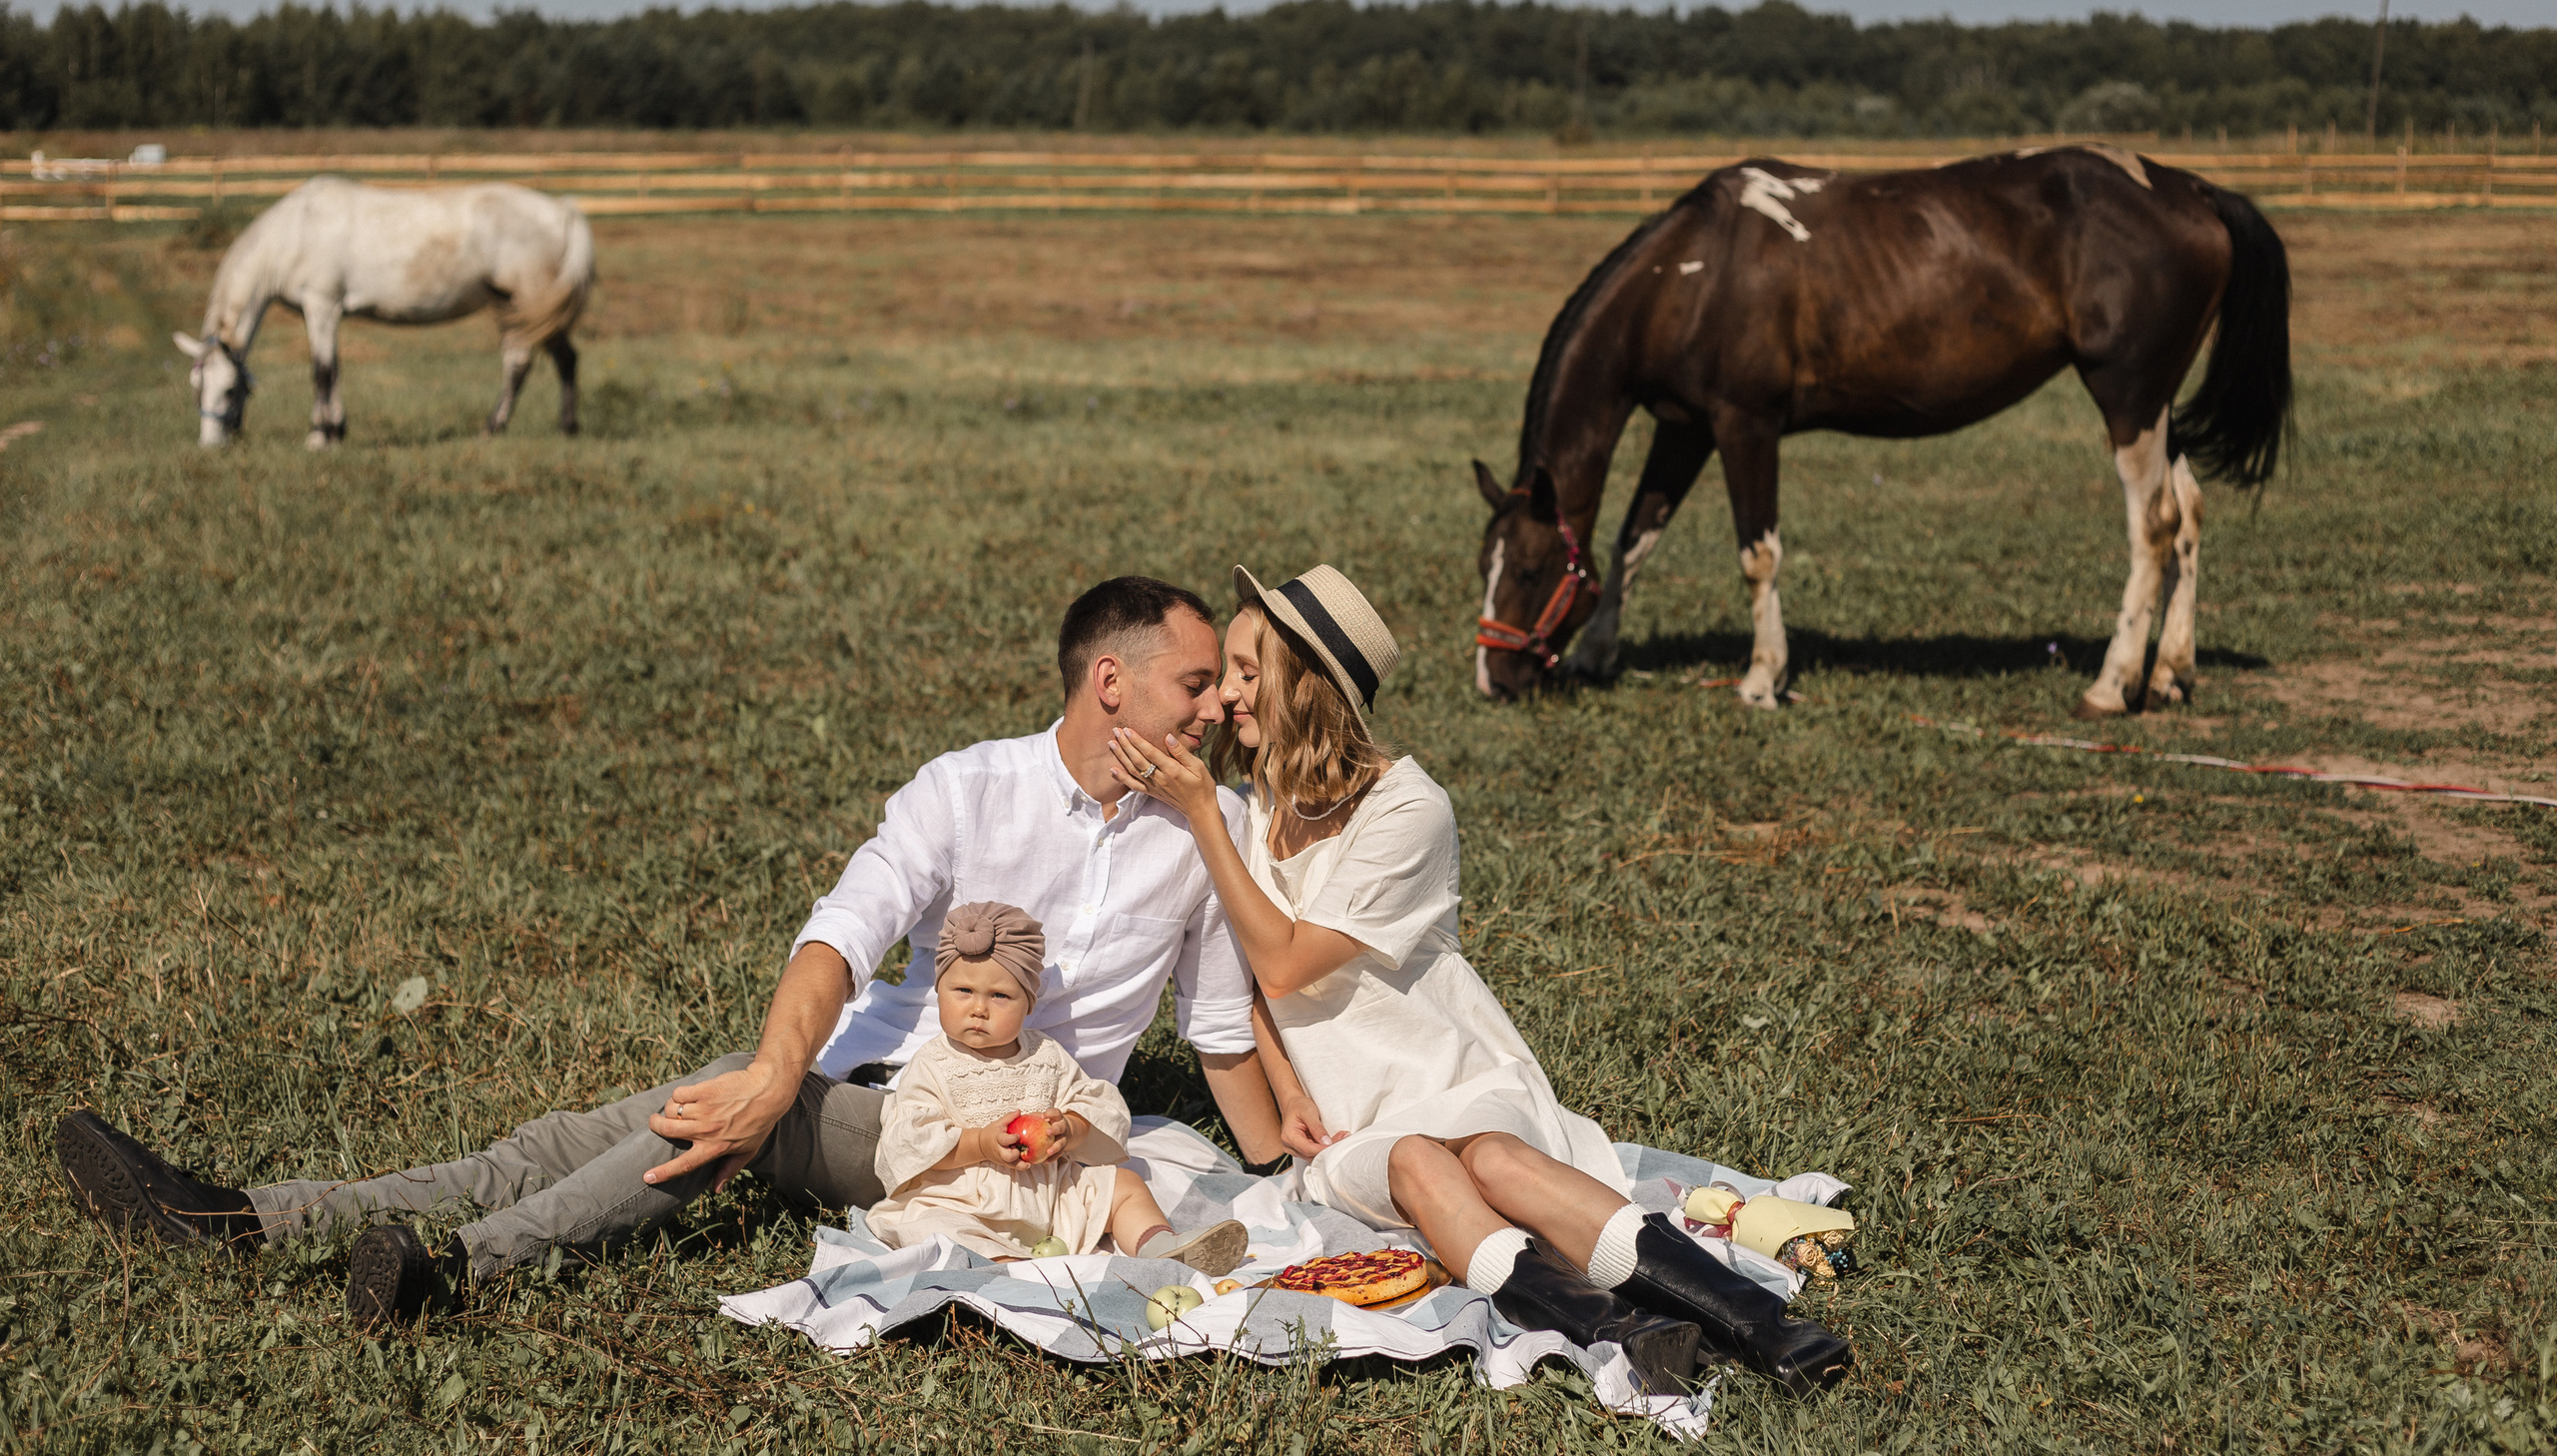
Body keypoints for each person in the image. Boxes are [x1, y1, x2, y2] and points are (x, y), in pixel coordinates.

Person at [54, 575, 1282, 1329]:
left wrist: (1286, 1159)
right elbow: (840, 934)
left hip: (989, 1135)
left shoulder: (1211, 833)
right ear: (1109, 683)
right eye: (1195, 683)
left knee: (716, 1123)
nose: (1217, 708)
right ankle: (258, 1219)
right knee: (607, 1130)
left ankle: (421, 1260)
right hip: (865, 1078)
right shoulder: (966, 789)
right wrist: (769, 1068)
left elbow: (1222, 1032)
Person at [1107, 563, 1853, 1398]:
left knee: (1494, 1155)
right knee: (1423, 1164)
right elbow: (1252, 976)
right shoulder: (1254, 805)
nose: (1228, 698)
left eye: (1250, 672)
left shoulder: (1408, 809)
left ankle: (1760, 1320)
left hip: (1453, 1074)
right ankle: (1624, 1328)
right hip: (1359, 1124)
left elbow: (1285, 958)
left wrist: (1205, 812)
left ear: (1306, 682)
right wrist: (1285, 1091)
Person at [866, 901, 1247, 1272]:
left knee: (1124, 1186)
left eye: (1000, 996)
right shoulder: (933, 1063)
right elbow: (912, 1140)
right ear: (939, 992)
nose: (979, 1008)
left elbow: (1094, 1101)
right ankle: (1005, 1268)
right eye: (963, 991)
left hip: (1049, 1195)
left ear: (1028, 1003)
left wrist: (1070, 1128)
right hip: (964, 1199)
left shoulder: (1045, 1055)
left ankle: (1159, 1246)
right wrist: (981, 1143)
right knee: (932, 1225)